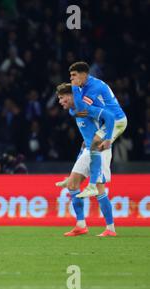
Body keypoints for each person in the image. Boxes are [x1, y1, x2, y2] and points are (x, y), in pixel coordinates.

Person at [55, 83, 117, 237]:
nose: (60, 101)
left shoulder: (87, 106)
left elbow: (109, 117)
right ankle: (81, 225)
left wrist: (108, 139)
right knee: (72, 183)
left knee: (98, 188)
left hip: (100, 149)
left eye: (62, 98)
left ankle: (110, 229)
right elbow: (88, 130)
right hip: (88, 149)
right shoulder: (72, 111)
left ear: (71, 95)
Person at [68, 61, 127, 198]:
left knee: (96, 143)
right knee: (91, 143)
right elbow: (82, 112)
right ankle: (91, 181)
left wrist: (107, 139)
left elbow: (81, 109)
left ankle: (94, 185)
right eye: (70, 76)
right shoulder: (86, 85)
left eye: (74, 75)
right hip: (105, 121)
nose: (71, 79)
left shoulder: (93, 87)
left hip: (117, 121)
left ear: (83, 75)